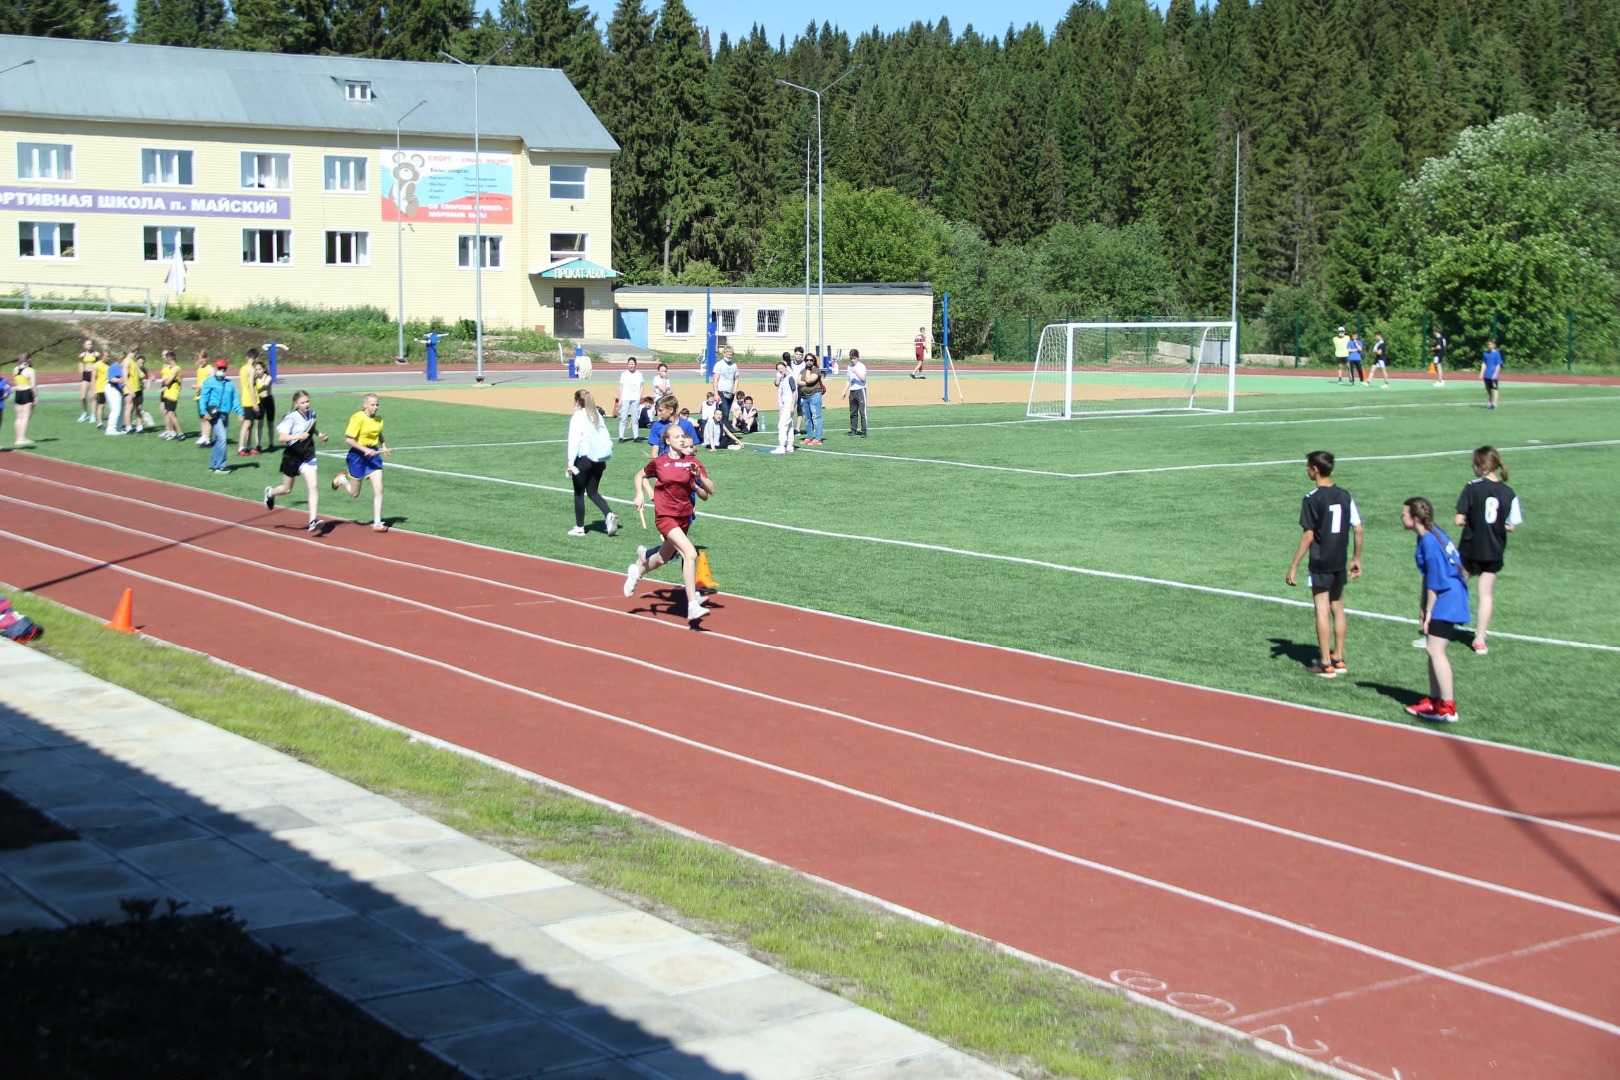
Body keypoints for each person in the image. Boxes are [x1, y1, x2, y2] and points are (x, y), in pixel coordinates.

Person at [623, 425, 716, 626]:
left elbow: (711, 491)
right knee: (690, 554)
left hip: (683, 518)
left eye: (683, 436)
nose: (682, 440)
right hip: (665, 517)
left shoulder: (693, 462)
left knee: (663, 558)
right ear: (668, 441)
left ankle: (637, 571)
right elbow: (640, 476)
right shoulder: (660, 463)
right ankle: (692, 605)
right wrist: (639, 494)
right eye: (677, 436)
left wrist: (699, 475)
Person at [1285, 449, 1364, 678]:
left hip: (1320, 560)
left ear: (1315, 469)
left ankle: (1325, 662)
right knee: (1337, 606)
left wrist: (1294, 565)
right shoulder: (1345, 495)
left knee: (1321, 608)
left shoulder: (1312, 498)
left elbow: (1309, 535)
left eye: (1308, 466)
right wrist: (1356, 558)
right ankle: (1339, 657)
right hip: (1339, 559)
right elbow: (1358, 528)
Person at [1402, 496, 1470, 722]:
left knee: (1435, 650)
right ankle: (1434, 699)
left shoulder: (1429, 542)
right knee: (1432, 648)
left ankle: (1448, 706)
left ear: (1414, 518)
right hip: (1447, 594)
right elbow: (1428, 576)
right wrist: (1422, 607)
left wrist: (1429, 611)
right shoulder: (1430, 535)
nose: (1401, 517)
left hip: (1447, 598)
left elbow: (1435, 582)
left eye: (1404, 514)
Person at [1455, 446, 1522, 656]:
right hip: (1494, 550)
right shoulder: (1508, 492)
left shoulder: (1472, 487)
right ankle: (1480, 639)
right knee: (1486, 594)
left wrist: (1472, 520)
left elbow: (1459, 519)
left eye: (1474, 464)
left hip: (1470, 548)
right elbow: (1512, 525)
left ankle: (1437, 627)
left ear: (1482, 466)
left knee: (1454, 586)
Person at [263, 389, 328, 533]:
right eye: (302, 402)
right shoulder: (291, 417)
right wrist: (297, 436)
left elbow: (311, 427)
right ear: (296, 403)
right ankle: (270, 493)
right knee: (287, 489)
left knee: (313, 486)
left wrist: (320, 434)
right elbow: (281, 437)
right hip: (292, 456)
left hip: (308, 455)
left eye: (307, 401)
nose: (306, 404)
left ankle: (312, 520)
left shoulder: (312, 414)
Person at [331, 393, 391, 531]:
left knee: (379, 488)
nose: (375, 407)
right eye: (372, 404)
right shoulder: (357, 417)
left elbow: (379, 433)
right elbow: (349, 439)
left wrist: (383, 446)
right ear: (365, 405)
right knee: (354, 494)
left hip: (373, 457)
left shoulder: (379, 419)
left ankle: (377, 522)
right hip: (357, 456)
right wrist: (364, 449)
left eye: (377, 404)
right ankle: (341, 480)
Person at [565, 388, 618, 537]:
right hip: (599, 460)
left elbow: (574, 441)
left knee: (579, 493)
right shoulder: (597, 415)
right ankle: (609, 514)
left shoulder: (577, 417)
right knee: (593, 491)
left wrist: (570, 462)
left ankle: (579, 527)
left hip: (584, 459)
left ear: (577, 401)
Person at [199, 358, 242, 473]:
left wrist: (239, 412)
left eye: (224, 368)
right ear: (216, 368)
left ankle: (213, 464)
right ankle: (220, 465)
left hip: (225, 414)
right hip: (215, 415)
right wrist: (203, 412)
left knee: (220, 440)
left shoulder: (229, 384)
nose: (222, 370)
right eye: (220, 368)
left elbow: (235, 399)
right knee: (222, 438)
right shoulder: (209, 382)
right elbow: (203, 398)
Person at [712, 345, 742, 448]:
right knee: (723, 413)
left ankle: (725, 434)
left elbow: (736, 378)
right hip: (721, 391)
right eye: (727, 354)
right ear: (724, 353)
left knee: (726, 414)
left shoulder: (734, 365)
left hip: (730, 392)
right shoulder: (719, 365)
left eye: (731, 354)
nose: (729, 356)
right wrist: (716, 393)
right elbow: (715, 379)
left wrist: (735, 390)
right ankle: (727, 435)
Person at [237, 347, 261, 456]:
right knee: (247, 423)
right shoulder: (251, 369)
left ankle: (249, 446)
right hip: (249, 400)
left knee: (251, 423)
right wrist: (254, 402)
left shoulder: (243, 368)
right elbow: (250, 386)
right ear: (256, 357)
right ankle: (241, 447)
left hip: (245, 398)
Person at [771, 357, 798, 454]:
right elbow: (776, 383)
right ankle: (790, 445)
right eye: (778, 369)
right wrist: (779, 375)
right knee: (789, 424)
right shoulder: (783, 378)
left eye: (781, 368)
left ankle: (781, 446)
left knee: (782, 424)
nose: (780, 370)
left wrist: (792, 405)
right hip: (784, 403)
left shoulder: (790, 377)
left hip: (789, 403)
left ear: (785, 367)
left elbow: (794, 392)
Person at [798, 356, 826, 444]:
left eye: (811, 360)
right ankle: (809, 437)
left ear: (814, 361)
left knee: (816, 417)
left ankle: (818, 438)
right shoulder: (802, 370)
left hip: (814, 395)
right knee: (807, 418)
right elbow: (798, 381)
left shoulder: (816, 370)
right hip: (804, 397)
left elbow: (809, 380)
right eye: (807, 360)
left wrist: (808, 372)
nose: (809, 361)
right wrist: (806, 382)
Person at [158, 349, 184, 440]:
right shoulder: (171, 368)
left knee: (171, 414)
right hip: (168, 393)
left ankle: (180, 433)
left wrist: (165, 379)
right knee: (169, 413)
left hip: (172, 394)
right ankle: (173, 432)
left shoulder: (176, 368)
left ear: (170, 359)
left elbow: (168, 381)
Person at [11, 352, 36, 447]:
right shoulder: (30, 370)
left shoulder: (15, 369)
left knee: (18, 417)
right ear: (29, 359)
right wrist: (35, 396)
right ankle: (22, 438)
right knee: (25, 417)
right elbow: (33, 385)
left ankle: (18, 438)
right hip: (26, 392)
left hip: (18, 393)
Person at [616, 358, 644, 442]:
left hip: (635, 399)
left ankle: (636, 437)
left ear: (635, 364)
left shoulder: (639, 374)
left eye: (633, 364)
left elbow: (642, 386)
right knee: (623, 418)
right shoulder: (624, 374)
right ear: (627, 364)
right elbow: (621, 387)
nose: (631, 365)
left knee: (635, 419)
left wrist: (639, 396)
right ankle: (621, 437)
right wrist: (620, 399)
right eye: (630, 364)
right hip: (625, 399)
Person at [843, 348, 868, 436]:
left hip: (860, 390)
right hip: (852, 391)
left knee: (862, 411)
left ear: (857, 358)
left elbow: (863, 379)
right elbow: (848, 380)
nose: (852, 360)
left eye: (854, 358)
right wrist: (845, 391)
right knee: (853, 412)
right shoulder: (849, 366)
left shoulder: (861, 366)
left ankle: (864, 431)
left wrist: (856, 372)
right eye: (851, 358)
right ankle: (853, 430)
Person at [122, 351, 148, 434]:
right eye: (140, 363)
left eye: (143, 363)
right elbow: (125, 377)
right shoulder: (128, 361)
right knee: (129, 408)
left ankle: (139, 427)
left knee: (139, 408)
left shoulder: (137, 367)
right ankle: (128, 427)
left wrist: (144, 383)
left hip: (138, 389)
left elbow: (142, 377)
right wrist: (130, 389)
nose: (141, 365)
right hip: (131, 389)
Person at [254, 357, 275, 449]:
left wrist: (254, 384)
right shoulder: (254, 379)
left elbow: (265, 385)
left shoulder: (268, 377)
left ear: (264, 369)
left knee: (270, 423)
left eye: (260, 369)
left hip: (269, 400)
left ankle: (271, 443)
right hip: (260, 401)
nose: (258, 371)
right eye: (256, 369)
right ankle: (258, 444)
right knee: (259, 423)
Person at [104, 350, 126, 436]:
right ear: (120, 358)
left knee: (121, 409)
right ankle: (110, 429)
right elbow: (111, 378)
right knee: (116, 409)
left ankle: (118, 428)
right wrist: (120, 380)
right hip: (113, 389)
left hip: (120, 390)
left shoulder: (122, 367)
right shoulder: (114, 366)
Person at [193, 349, 213, 445]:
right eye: (199, 358)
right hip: (199, 395)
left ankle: (208, 437)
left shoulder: (210, 369)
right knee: (201, 417)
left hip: (207, 396)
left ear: (207, 358)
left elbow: (210, 384)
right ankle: (204, 435)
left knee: (207, 417)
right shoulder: (199, 369)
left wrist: (198, 386)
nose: (201, 360)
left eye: (203, 358)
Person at [76, 338, 98, 422]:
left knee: (93, 396)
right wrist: (81, 373)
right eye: (88, 344)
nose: (90, 345)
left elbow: (99, 363)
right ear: (84, 346)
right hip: (86, 374)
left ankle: (93, 415)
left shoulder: (96, 354)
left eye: (91, 344)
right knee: (83, 397)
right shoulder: (82, 355)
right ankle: (85, 413)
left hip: (94, 375)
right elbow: (81, 363)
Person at [1480, 338, 1504, 409]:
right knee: (1488, 389)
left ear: (1494, 345)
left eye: (1490, 344)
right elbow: (1484, 363)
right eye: (1488, 344)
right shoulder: (1485, 354)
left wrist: (1495, 374)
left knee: (1494, 388)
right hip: (1487, 374)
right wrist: (1481, 373)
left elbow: (1499, 364)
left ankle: (1495, 403)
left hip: (1493, 375)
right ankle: (1489, 403)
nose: (1488, 345)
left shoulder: (1497, 354)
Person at [90, 348, 110, 429]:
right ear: (102, 356)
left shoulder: (109, 364)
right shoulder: (97, 365)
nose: (108, 358)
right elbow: (93, 378)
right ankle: (99, 423)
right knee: (101, 405)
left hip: (109, 388)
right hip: (101, 388)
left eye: (109, 357)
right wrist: (93, 390)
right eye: (107, 357)